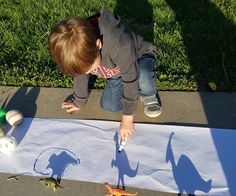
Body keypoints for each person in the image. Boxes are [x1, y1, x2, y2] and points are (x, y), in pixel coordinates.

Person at [48, 9, 162, 142]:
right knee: (110, 106)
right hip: (115, 71)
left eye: (89, 68)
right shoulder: (84, 51)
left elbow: (131, 79)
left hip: (139, 58)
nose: (87, 73)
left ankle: (148, 94)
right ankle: (125, 88)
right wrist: (79, 100)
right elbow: (81, 74)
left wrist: (127, 119)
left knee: (144, 79)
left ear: (98, 44)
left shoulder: (120, 44)